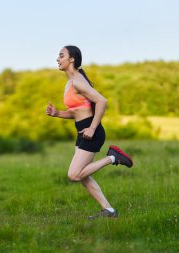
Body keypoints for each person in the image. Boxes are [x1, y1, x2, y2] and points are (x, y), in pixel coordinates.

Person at [46, 45, 133, 219]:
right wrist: (57, 114)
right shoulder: (70, 83)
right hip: (82, 131)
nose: (57, 59)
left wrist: (92, 128)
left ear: (71, 59)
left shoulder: (78, 81)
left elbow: (102, 101)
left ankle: (113, 157)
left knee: (74, 174)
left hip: (91, 132)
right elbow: (76, 111)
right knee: (83, 176)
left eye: (61, 55)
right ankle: (108, 211)